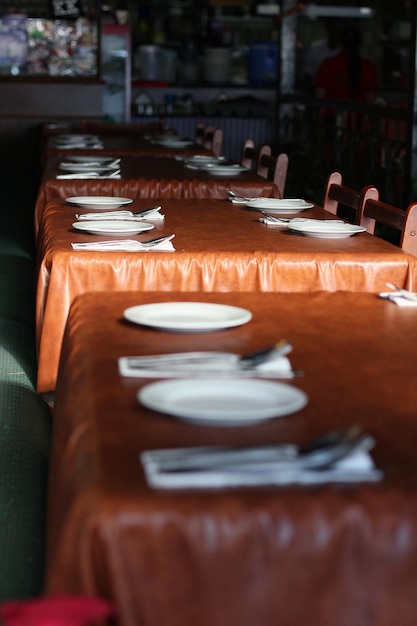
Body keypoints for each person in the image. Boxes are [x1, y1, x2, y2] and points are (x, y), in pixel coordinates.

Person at [315, 23, 377, 103]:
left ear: (340, 44)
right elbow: (370, 100)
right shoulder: (369, 67)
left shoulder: (328, 64)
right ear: (359, 45)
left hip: (332, 114)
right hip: (358, 114)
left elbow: (319, 97)